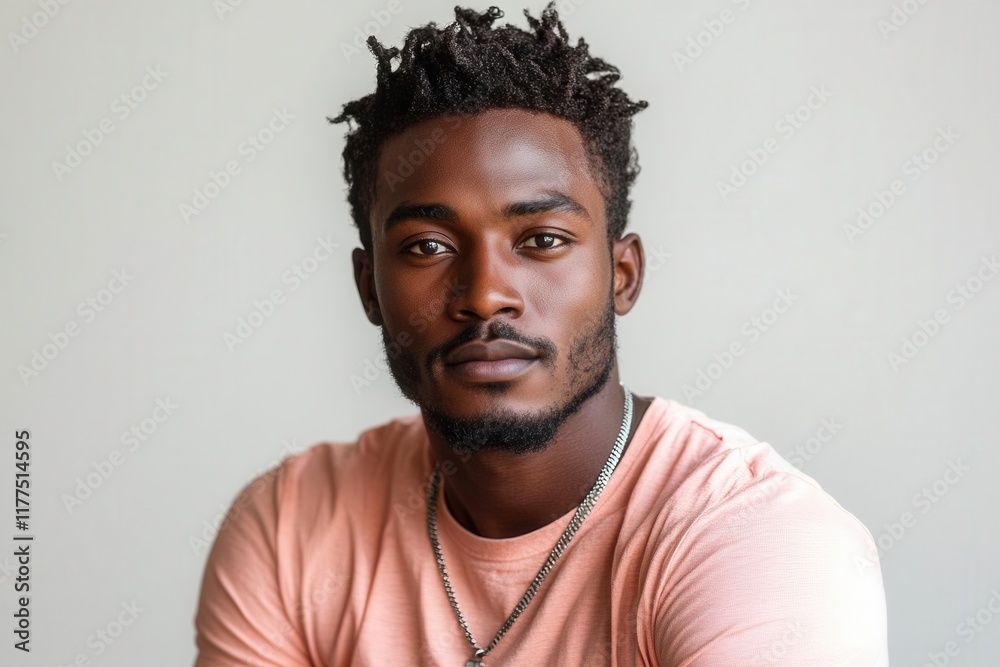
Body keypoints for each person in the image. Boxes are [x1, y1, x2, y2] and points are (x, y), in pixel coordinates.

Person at [193, 4, 889, 665]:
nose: (486, 292)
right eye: (428, 247)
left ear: (621, 274)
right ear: (369, 287)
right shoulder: (290, 526)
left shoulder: (755, 539)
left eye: (543, 238)